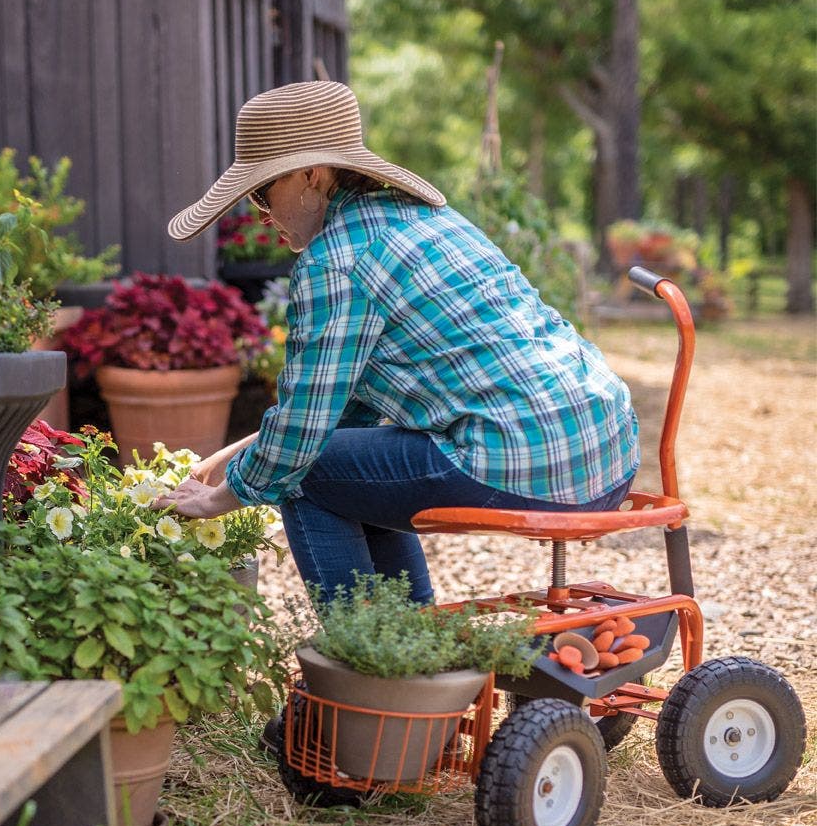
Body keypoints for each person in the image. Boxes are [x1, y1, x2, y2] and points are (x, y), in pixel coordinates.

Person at [163, 80, 639, 607]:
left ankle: (368, 663)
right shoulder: (427, 221)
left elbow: (302, 440)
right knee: (341, 465)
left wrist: (219, 499)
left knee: (307, 473)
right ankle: (411, 648)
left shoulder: (336, 260)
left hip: (525, 464)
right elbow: (344, 412)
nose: (259, 213)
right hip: (607, 453)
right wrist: (239, 454)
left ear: (310, 175)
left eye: (260, 191)